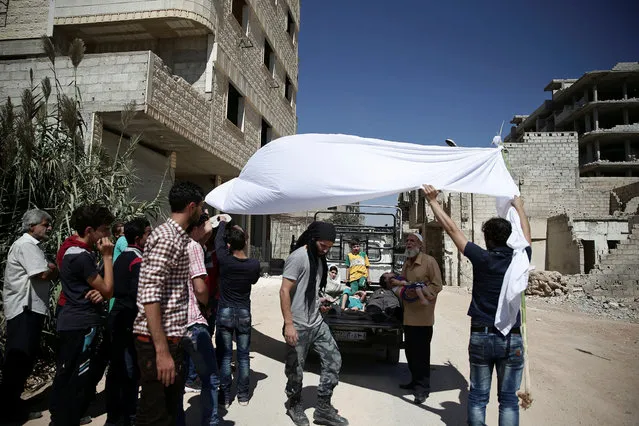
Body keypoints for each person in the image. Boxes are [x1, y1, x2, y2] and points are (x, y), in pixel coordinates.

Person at [422, 184, 532, 426]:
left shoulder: (482, 258)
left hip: (482, 336)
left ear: (488, 239)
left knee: (478, 397)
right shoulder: (521, 259)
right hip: (511, 338)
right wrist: (519, 208)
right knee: (509, 401)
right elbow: (526, 236)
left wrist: (433, 202)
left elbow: (452, 230)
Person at [132, 181, 204, 426]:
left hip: (169, 339)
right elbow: (149, 295)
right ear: (192, 207)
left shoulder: (178, 237)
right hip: (155, 343)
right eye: (201, 208)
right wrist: (162, 351)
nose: (203, 213)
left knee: (168, 411)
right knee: (153, 414)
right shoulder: (166, 238)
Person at [49, 205, 115, 426]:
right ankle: (64, 418)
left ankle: (62, 415)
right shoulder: (80, 256)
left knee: (70, 371)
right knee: (76, 373)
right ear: (89, 230)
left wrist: (100, 289)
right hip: (80, 322)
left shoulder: (75, 249)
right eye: (104, 230)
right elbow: (108, 290)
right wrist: (108, 256)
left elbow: (99, 289)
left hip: (76, 319)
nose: (107, 235)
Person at [280, 221, 348, 426]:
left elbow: (311, 288)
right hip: (298, 324)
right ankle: (294, 404)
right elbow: (284, 291)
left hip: (316, 322)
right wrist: (289, 324)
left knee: (334, 360)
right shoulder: (298, 257)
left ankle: (323, 409)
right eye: (323, 245)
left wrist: (319, 303)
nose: (326, 250)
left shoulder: (319, 258)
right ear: (312, 239)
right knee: (296, 369)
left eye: (329, 246)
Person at [0, 209, 57, 422]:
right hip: (24, 309)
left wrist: (50, 268)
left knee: (22, 360)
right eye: (45, 224)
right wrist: (54, 268)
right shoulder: (26, 245)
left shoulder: (30, 246)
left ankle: (13, 404)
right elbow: (42, 273)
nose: (49, 227)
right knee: (18, 360)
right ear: (32, 226)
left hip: (28, 309)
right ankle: (10, 410)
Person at [105, 217, 151, 426]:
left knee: (118, 368)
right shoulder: (137, 261)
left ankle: (114, 415)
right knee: (129, 369)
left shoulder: (122, 257)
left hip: (118, 316)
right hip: (127, 320)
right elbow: (138, 295)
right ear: (138, 237)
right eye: (148, 234)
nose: (151, 238)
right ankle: (129, 415)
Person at [177, 213, 220, 426]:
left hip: (174, 324)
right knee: (210, 377)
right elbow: (200, 287)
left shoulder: (173, 244)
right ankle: (210, 421)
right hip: (193, 322)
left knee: (178, 378)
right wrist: (205, 303)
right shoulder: (193, 246)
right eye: (206, 224)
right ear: (196, 227)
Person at [390, 232, 442, 404]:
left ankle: (422, 388)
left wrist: (423, 295)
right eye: (407, 241)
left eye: (413, 241)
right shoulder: (407, 263)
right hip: (408, 316)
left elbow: (437, 285)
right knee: (411, 352)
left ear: (420, 245)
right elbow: (403, 282)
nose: (409, 243)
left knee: (421, 353)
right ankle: (414, 381)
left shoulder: (429, 261)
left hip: (423, 317)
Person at [214, 217, 260, 408]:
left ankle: (225, 397)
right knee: (243, 356)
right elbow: (254, 281)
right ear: (245, 242)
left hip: (225, 311)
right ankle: (243, 395)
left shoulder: (224, 260)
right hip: (243, 312)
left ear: (229, 244)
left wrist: (223, 222)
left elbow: (218, 242)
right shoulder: (253, 265)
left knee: (225, 357)